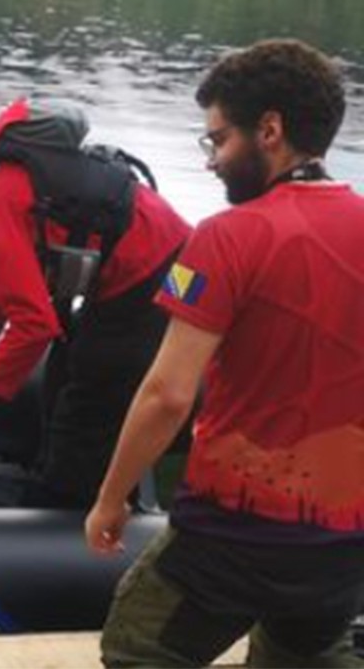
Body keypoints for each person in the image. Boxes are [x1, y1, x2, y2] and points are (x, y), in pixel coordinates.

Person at [85, 40, 364, 667]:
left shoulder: (224, 238)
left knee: (137, 646)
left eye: (219, 141)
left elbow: (167, 395)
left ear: (270, 131)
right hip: (343, 544)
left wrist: (111, 499)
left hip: (232, 533)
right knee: (305, 653)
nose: (211, 161)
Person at [0, 99, 191, 509]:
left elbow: (34, 325)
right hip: (129, 272)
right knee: (62, 368)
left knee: (91, 389)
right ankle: (59, 475)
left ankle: (67, 503)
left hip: (157, 272)